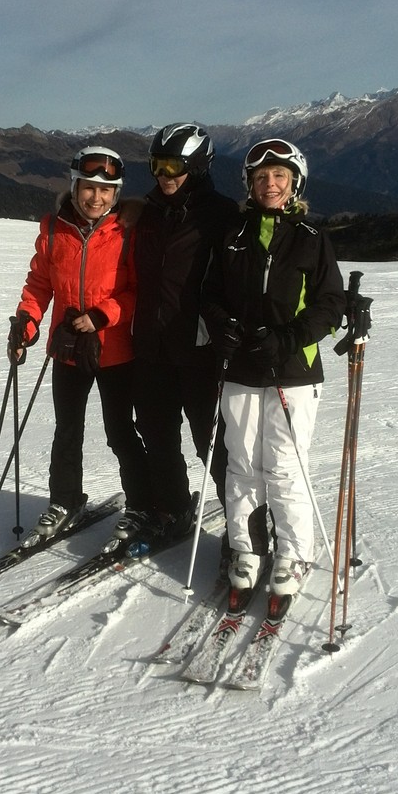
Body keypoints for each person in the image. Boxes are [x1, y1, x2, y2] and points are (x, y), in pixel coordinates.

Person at [202, 139, 345, 596]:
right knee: (241, 462)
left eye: (279, 176)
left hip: (292, 370)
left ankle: (295, 551)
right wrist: (221, 325)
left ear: (294, 183)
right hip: (241, 366)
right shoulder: (232, 236)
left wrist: (287, 339)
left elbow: (329, 304)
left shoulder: (310, 239)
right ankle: (247, 548)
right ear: (249, 183)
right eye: (261, 177)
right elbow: (211, 294)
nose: (270, 184)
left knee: (284, 465)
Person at [7, 146, 151, 539]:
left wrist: (104, 314)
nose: (96, 198)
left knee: (120, 430)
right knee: (66, 429)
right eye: (88, 187)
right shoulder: (55, 230)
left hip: (115, 350)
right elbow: (39, 284)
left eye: (106, 191)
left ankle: (141, 504)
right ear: (74, 187)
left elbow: (138, 290)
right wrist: (28, 323)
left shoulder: (126, 232)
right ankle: (65, 499)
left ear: (117, 194)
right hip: (68, 348)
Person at [128, 123, 241, 539]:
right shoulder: (148, 211)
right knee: (157, 435)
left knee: (212, 443)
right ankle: (173, 507)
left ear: (196, 166)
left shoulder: (222, 214)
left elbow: (238, 278)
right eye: (157, 164)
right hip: (151, 347)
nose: (164, 174)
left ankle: (242, 526)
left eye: (174, 165)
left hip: (199, 350)